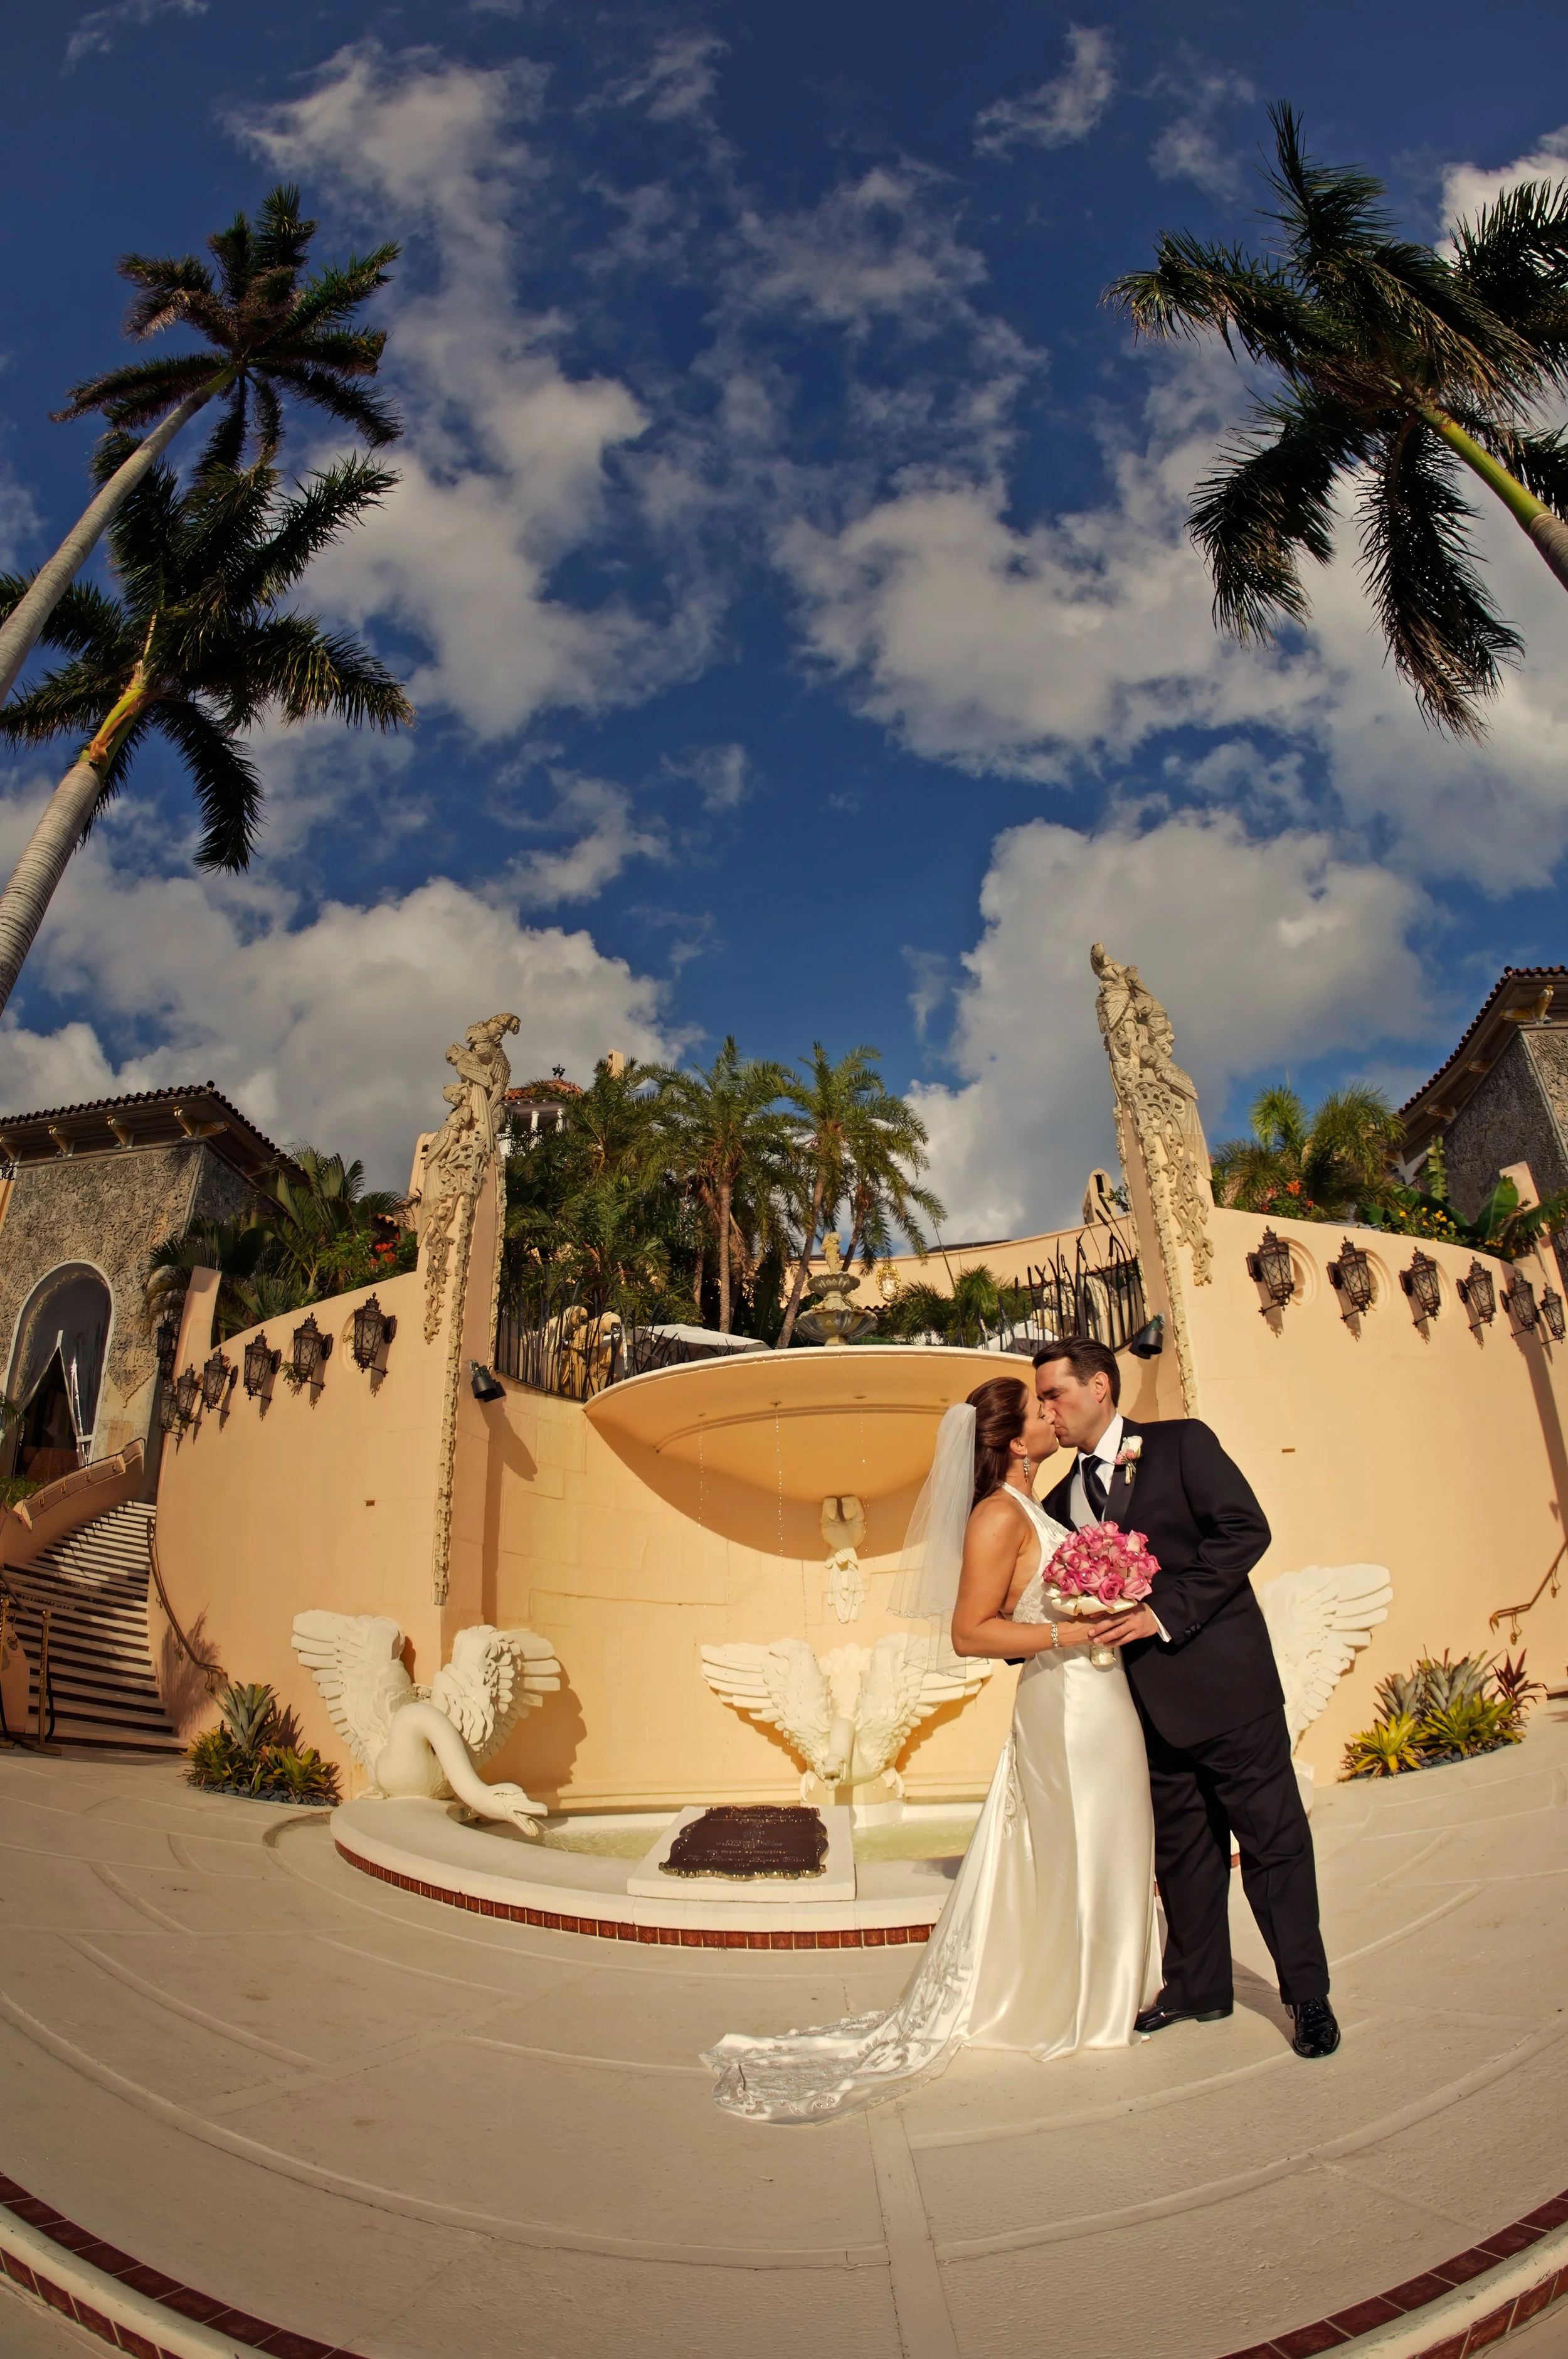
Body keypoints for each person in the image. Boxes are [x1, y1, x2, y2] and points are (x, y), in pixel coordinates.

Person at [701, 1374, 1161, 2122]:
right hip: (1067, 1701)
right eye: (1039, 1408)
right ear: (1013, 1440)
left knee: (1111, 1836)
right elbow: (970, 1631)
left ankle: (1113, 1985)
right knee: (1081, 1838)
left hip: (1100, 1692)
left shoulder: (1037, 1507)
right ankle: (1087, 2003)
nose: (1053, 1413)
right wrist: (1070, 1630)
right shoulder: (996, 1514)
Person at [1033, 1338, 1338, 2060]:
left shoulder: (1178, 1445)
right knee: (1182, 1855)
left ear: (1099, 1386)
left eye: (1054, 1394)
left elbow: (1244, 1531)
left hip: (1229, 1689)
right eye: (1041, 1401)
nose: (1047, 1411)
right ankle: (1197, 1987)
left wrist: (1161, 1613)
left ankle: (1307, 1995)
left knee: (1273, 1845)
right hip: (1143, 1706)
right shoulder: (1057, 1501)